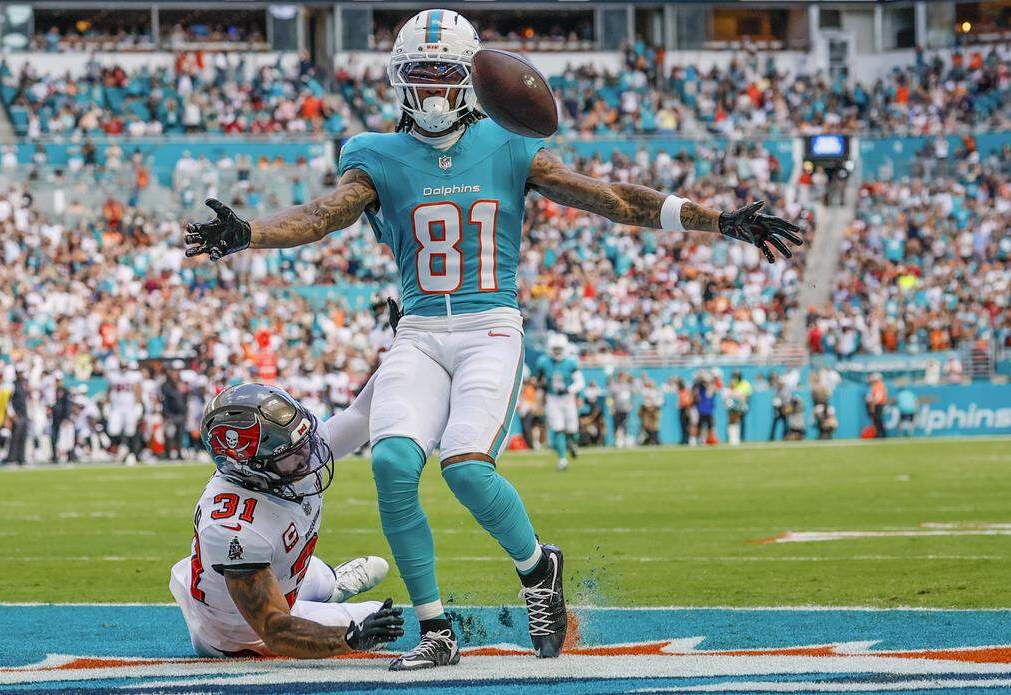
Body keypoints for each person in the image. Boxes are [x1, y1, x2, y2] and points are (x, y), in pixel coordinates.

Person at [184, 7, 801, 669]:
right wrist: (251, 233)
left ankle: (538, 571)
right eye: (417, 76)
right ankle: (436, 629)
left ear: (468, 79)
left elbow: (610, 196)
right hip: (419, 330)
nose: (430, 89)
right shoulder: (375, 154)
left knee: (466, 468)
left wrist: (719, 221)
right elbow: (320, 215)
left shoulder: (510, 145)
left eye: (443, 74)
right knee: (392, 465)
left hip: (488, 327)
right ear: (400, 81)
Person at [170, 382, 402, 659]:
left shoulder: (286, 456)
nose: (307, 455)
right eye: (292, 455)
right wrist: (349, 638)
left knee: (323, 578)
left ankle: (333, 585)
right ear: (249, 468)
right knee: (380, 619)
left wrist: (406, 348)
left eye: (305, 443)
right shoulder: (234, 529)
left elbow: (361, 416)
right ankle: (330, 598)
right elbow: (274, 628)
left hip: (279, 573)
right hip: (242, 634)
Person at [534, 334, 583, 471]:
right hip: (553, 398)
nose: (557, 351)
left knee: (572, 430)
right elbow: (539, 380)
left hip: (568, 399)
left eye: (559, 348)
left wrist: (569, 389)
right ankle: (562, 459)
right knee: (558, 429)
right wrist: (541, 388)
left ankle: (573, 442)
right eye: (555, 348)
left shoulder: (571, 362)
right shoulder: (544, 361)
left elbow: (580, 382)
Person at [609, 372, 635, 448]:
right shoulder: (614, 386)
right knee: (617, 424)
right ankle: (618, 440)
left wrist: (630, 405)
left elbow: (631, 396)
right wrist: (611, 407)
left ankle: (624, 439)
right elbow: (610, 398)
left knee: (624, 424)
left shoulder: (628, 386)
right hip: (617, 408)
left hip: (625, 408)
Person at [867, 373, 889, 438]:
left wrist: (872, 402)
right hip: (877, 404)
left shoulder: (879, 385)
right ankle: (878, 434)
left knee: (878, 419)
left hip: (879, 404)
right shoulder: (876, 386)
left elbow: (878, 397)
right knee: (876, 420)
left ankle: (882, 434)